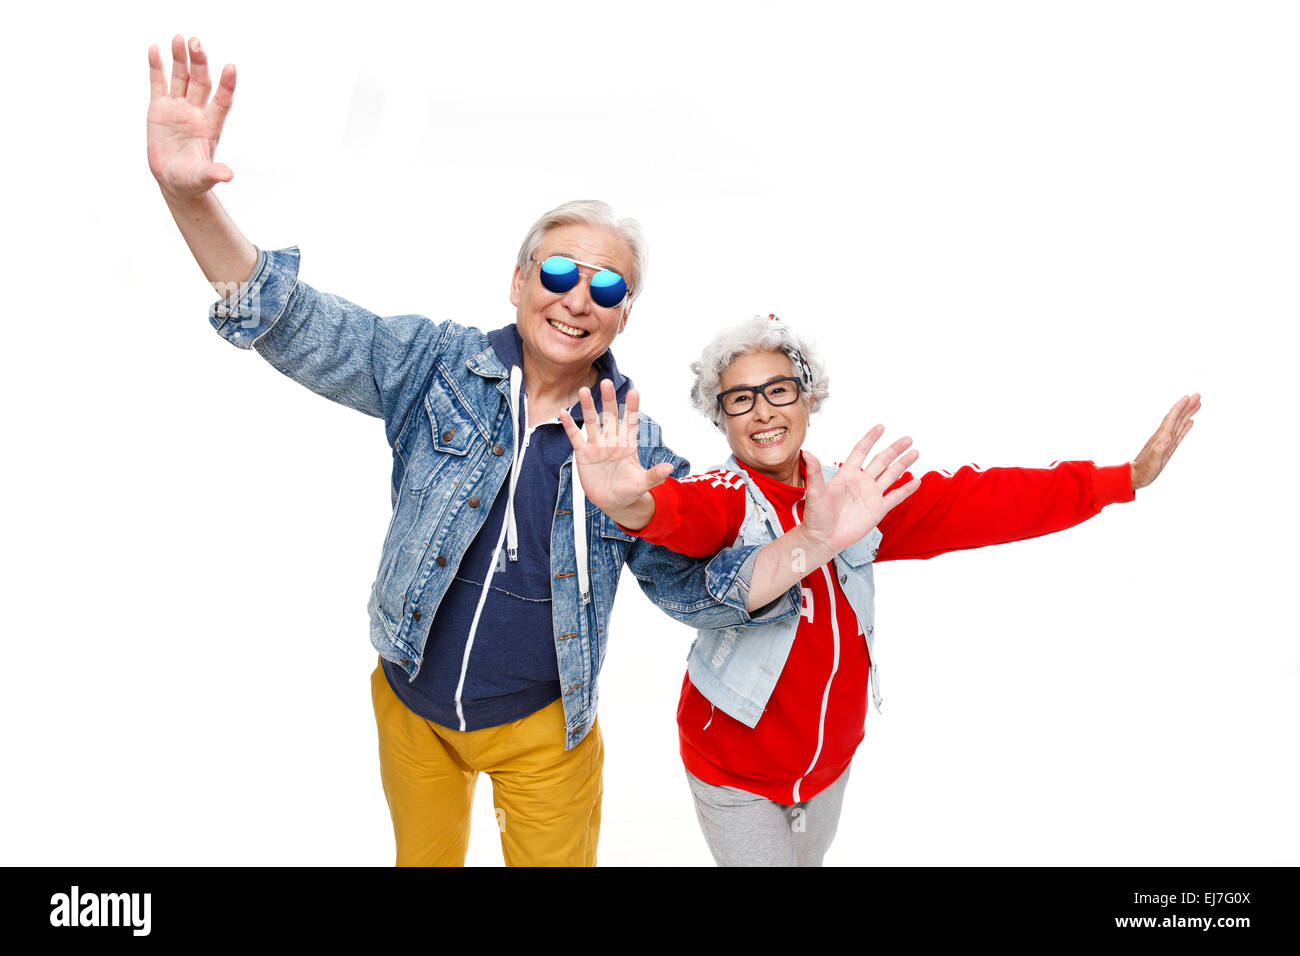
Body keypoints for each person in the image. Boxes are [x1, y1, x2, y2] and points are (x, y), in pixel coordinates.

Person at [145, 35, 833, 866]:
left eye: (607, 287)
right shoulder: (436, 367)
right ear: (517, 280)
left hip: (545, 733)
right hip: (410, 708)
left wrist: (807, 543)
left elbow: (693, 585)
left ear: (621, 319)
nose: (578, 297)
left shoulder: (635, 447)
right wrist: (189, 202)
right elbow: (293, 323)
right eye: (558, 272)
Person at [563, 314, 1199, 866]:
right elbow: (684, 513)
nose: (762, 410)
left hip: (830, 764)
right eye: (739, 399)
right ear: (721, 418)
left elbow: (985, 500)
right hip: (735, 771)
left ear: (808, 400)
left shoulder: (854, 498)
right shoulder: (727, 499)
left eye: (778, 390)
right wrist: (636, 505)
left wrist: (1124, 479)